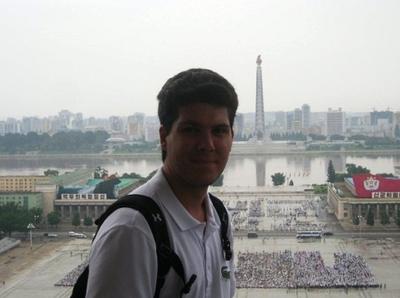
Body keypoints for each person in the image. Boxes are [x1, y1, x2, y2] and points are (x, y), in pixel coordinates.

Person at [86, 68, 238, 298]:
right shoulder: (132, 231)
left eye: (219, 131)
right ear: (163, 137)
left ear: (232, 137)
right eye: (191, 130)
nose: (207, 144)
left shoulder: (219, 217)